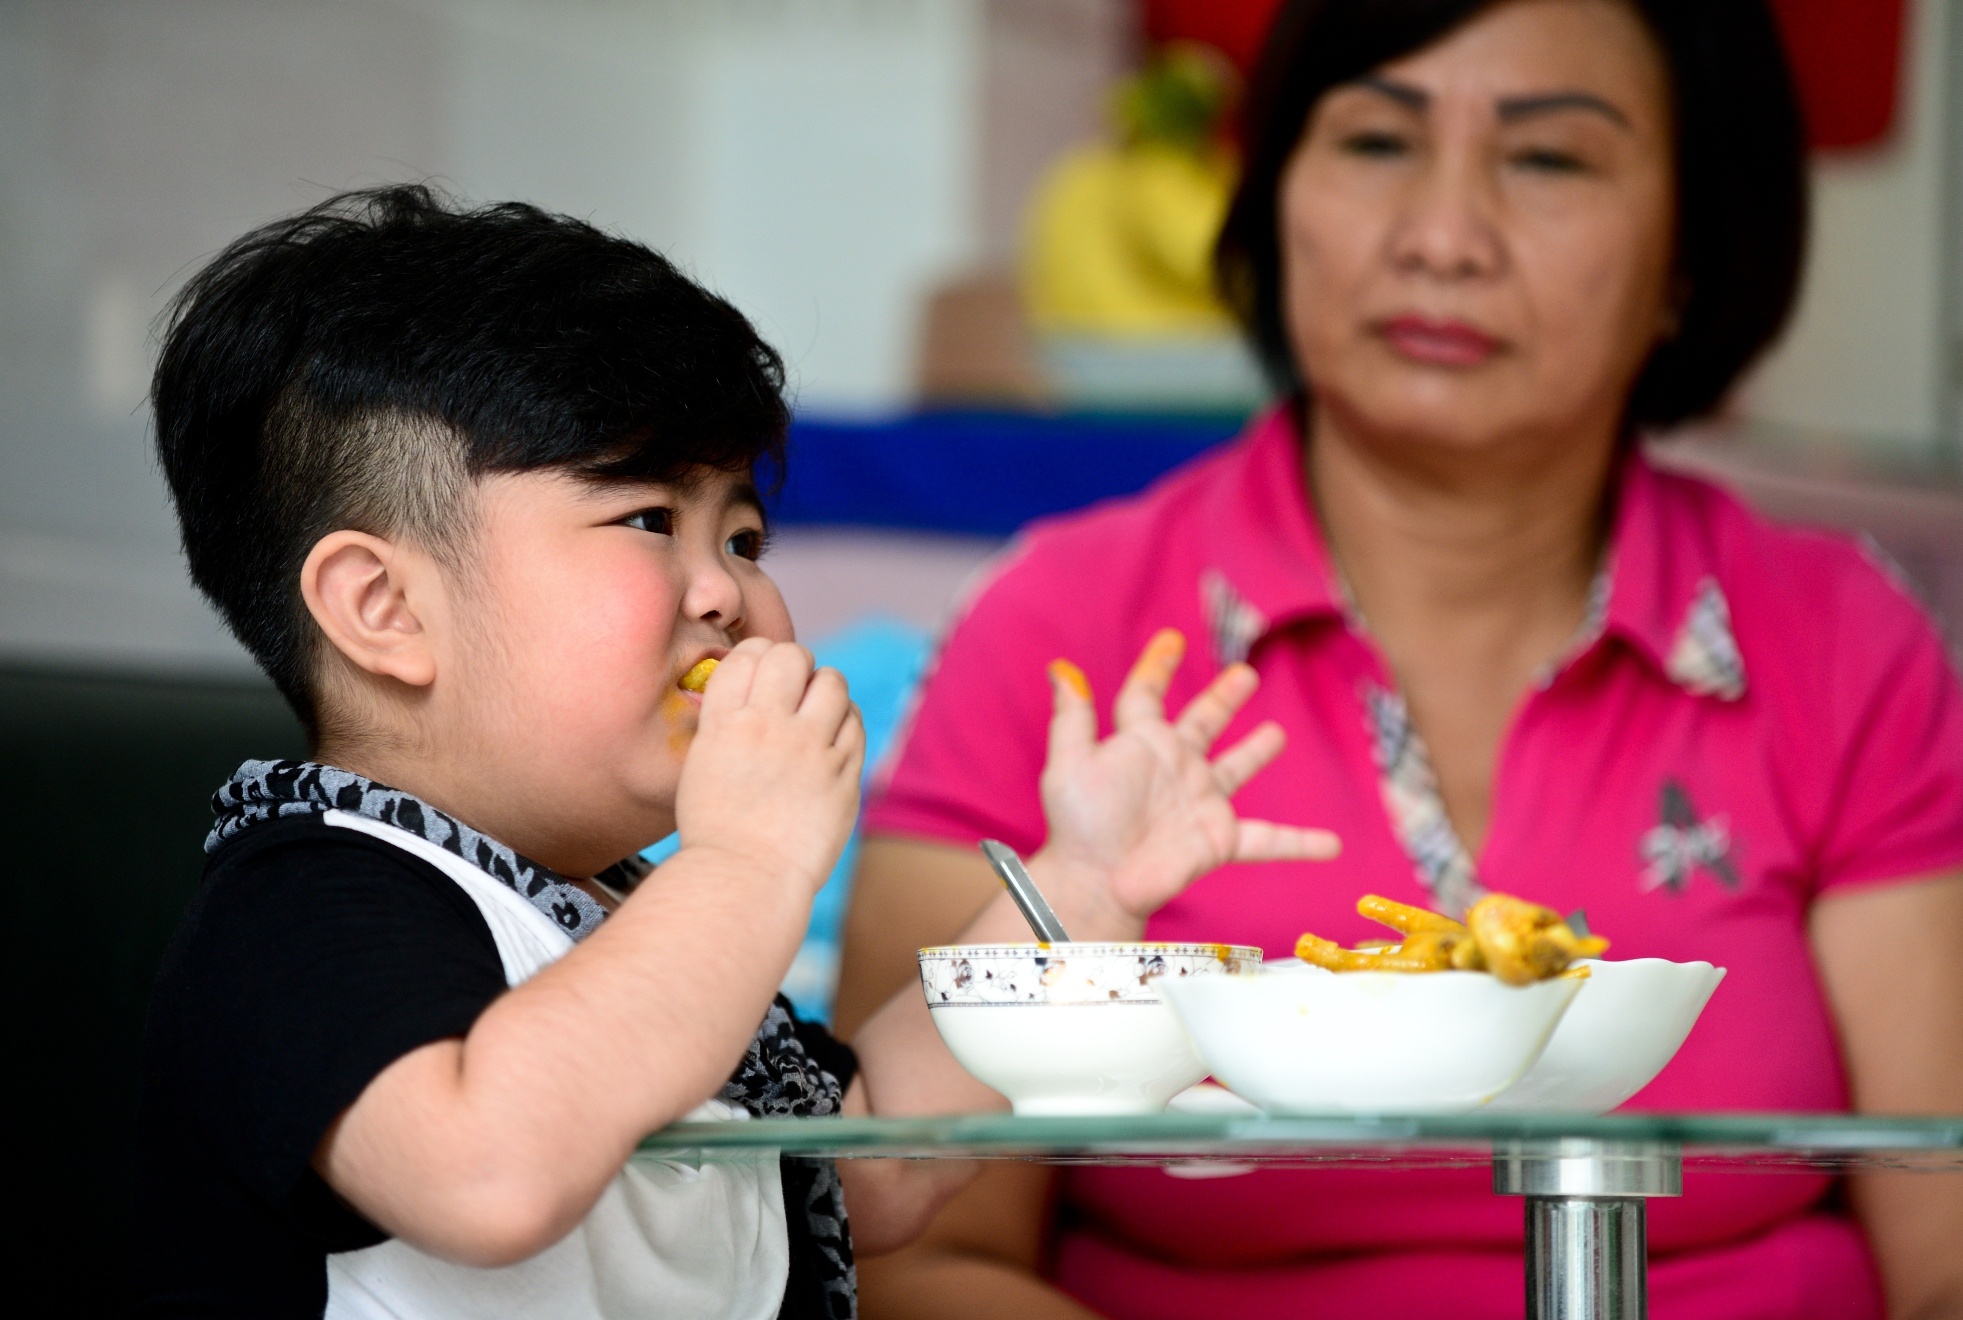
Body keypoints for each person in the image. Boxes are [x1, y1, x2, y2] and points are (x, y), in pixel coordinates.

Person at [836, 1, 1963, 1317]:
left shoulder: (1844, 639)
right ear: (1274, 199)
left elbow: (1955, 1262)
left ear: (1691, 250)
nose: (1442, 237)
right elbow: (910, 1248)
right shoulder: (1063, 627)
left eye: (1548, 159)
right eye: (1377, 141)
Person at [131, 186, 1337, 1319]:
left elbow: (872, 1166)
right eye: (649, 520)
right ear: (385, 610)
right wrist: (749, 864)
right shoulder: (304, 903)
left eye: (746, 533)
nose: (730, 592)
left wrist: (1077, 889)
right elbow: (487, 1174)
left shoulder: (627, 915)